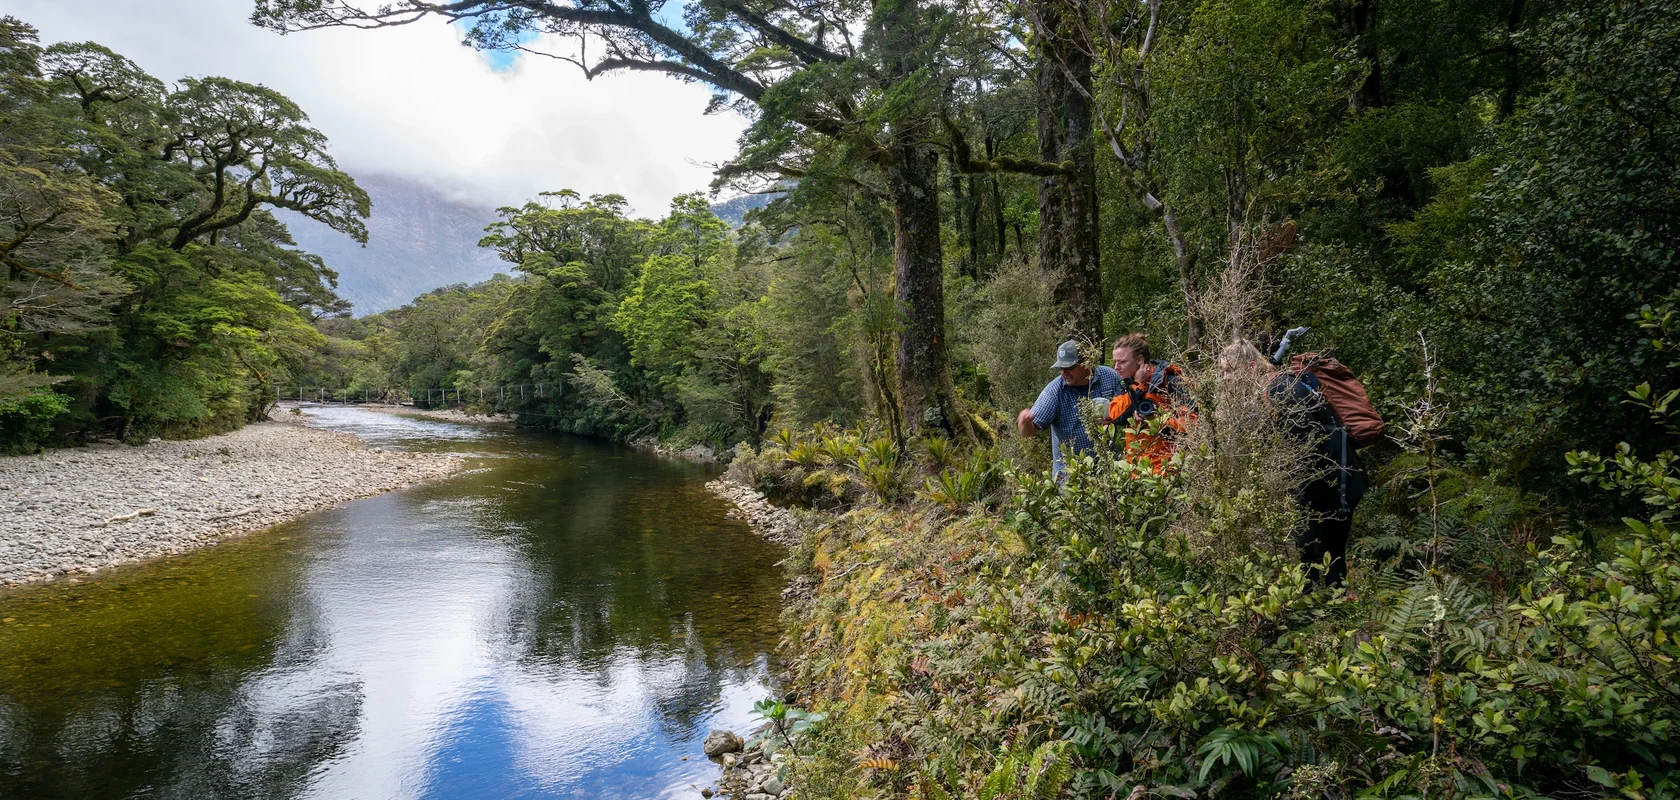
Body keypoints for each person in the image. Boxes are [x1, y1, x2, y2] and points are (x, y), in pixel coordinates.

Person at [1219, 340, 1369, 587]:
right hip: (1332, 478)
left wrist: (1295, 491)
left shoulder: (1279, 388)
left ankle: (1322, 613)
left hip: (1333, 482)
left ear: (1252, 365)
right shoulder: (1274, 386)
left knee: (1317, 553)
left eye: (1230, 371)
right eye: (1223, 372)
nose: (1225, 378)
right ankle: (1325, 609)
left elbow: (1306, 443)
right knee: (1319, 552)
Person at [1018, 340, 1123, 480]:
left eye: (1069, 367)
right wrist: (1024, 422)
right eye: (1061, 368)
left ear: (1086, 363)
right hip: (1072, 477)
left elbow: (1127, 411)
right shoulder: (1054, 391)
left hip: (1109, 469)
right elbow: (1027, 432)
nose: (1064, 373)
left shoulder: (1110, 377)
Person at [1107, 333, 1194, 469]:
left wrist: (1156, 419)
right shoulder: (1127, 383)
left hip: (1168, 469)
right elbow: (1116, 416)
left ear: (1140, 360)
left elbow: (1192, 425)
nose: (1116, 367)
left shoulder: (1169, 381)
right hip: (1136, 469)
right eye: (1115, 362)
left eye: (1122, 362)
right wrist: (1138, 386)